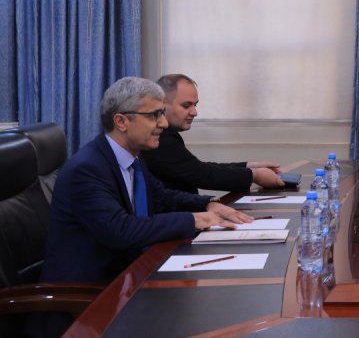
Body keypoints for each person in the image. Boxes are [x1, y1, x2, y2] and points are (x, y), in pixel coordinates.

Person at [40, 77, 251, 334]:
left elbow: (161, 197)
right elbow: (121, 230)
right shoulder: (88, 169)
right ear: (121, 121)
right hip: (89, 299)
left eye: (162, 114)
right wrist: (195, 220)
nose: (163, 123)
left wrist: (207, 204)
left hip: (128, 278)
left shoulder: (133, 158)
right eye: (154, 116)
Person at [141, 74, 284, 194]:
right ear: (163, 104)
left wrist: (249, 166)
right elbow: (201, 174)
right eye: (186, 105)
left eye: (195, 105)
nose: (194, 112)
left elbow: (196, 167)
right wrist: (253, 175)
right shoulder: (158, 138)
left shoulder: (167, 135)